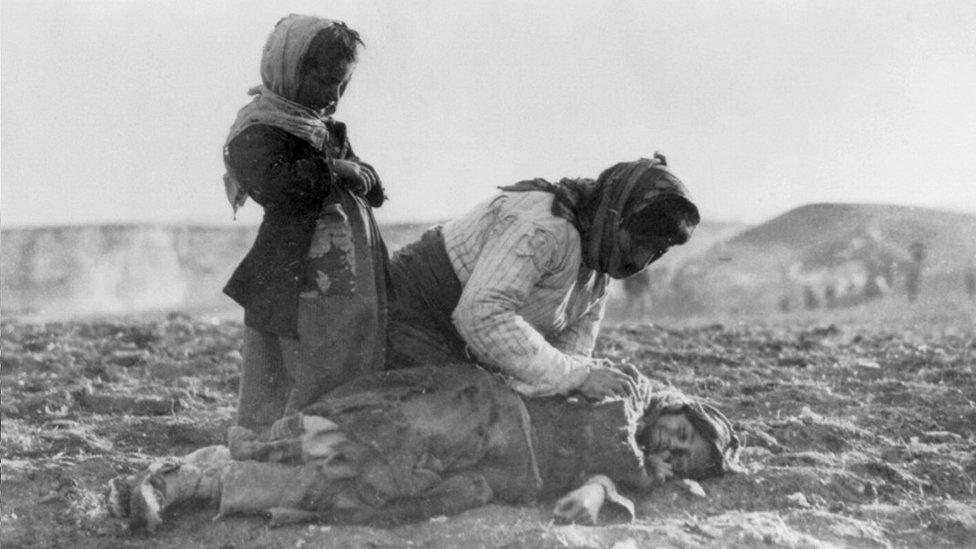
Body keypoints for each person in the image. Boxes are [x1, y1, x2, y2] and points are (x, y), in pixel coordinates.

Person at [105, 365, 741, 531]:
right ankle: (180, 475)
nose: (672, 448)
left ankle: (206, 484)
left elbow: (604, 485)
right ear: (676, 408)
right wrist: (634, 470)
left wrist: (604, 490)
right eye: (681, 434)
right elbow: (612, 428)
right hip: (484, 416)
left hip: (496, 474)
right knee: (366, 444)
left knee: (371, 497)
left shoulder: (636, 469)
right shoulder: (630, 394)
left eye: (686, 458)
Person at [386, 154, 700, 400]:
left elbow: (570, 354)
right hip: (411, 313)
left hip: (464, 342)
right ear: (616, 214)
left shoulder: (598, 271)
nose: (642, 260)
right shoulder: (546, 227)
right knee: (463, 415)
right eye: (641, 242)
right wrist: (578, 379)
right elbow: (481, 315)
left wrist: (586, 382)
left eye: (658, 251)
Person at [222, 14, 389, 431]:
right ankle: (281, 445)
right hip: (293, 275)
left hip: (343, 275)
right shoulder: (257, 130)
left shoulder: (324, 129)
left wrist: (366, 179)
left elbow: (360, 177)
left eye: (342, 85)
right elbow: (275, 186)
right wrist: (334, 170)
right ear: (289, 71)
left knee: (343, 352)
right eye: (325, 82)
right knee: (295, 367)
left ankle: (331, 433)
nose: (334, 96)